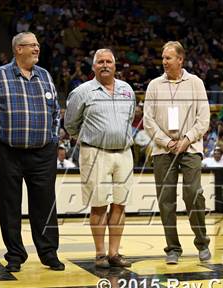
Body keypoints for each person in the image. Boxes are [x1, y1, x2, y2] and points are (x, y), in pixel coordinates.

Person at [0, 32, 64, 272]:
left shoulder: (44, 76)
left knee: (45, 205)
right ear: (17, 49)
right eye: (31, 45)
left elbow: (56, 112)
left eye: (37, 45)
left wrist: (54, 140)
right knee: (9, 205)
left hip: (43, 153)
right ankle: (15, 254)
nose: (36, 49)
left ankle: (48, 253)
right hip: (7, 152)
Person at [65, 48, 135, 268]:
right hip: (95, 153)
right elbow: (70, 125)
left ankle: (114, 253)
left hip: (124, 153)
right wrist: (90, 139)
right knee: (98, 205)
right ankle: (100, 254)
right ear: (93, 66)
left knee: (119, 205)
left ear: (115, 65)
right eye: (100, 62)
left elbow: (130, 118)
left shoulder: (127, 90)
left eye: (109, 61)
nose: (105, 65)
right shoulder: (82, 92)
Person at [144, 41, 211, 264]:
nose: (164, 62)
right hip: (163, 150)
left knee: (192, 193)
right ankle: (172, 248)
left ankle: (202, 242)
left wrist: (186, 140)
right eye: (163, 58)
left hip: (190, 148)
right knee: (166, 200)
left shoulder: (196, 83)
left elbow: (204, 119)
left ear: (180, 60)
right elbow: (148, 120)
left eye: (168, 58)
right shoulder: (154, 85)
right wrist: (166, 142)